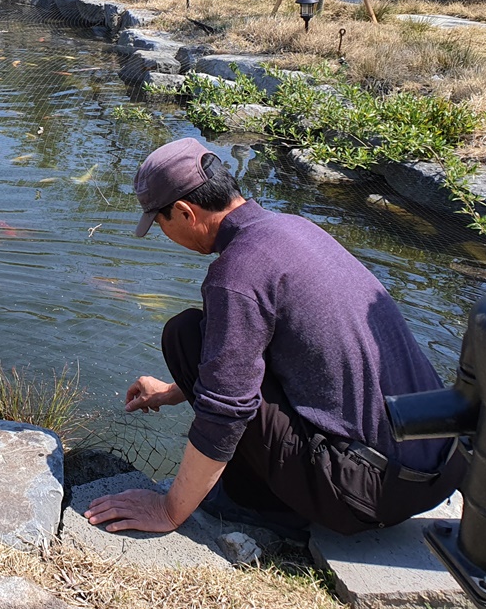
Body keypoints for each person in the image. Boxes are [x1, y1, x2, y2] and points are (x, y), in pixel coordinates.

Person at [85, 137, 465, 537]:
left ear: (184, 212)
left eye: (161, 224)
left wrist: (168, 510)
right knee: (196, 334)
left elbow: (225, 411)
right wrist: (172, 391)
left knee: (184, 336)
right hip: (437, 468)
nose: (164, 234)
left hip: (368, 495)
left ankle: (265, 507)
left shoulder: (236, 274)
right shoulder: (293, 229)